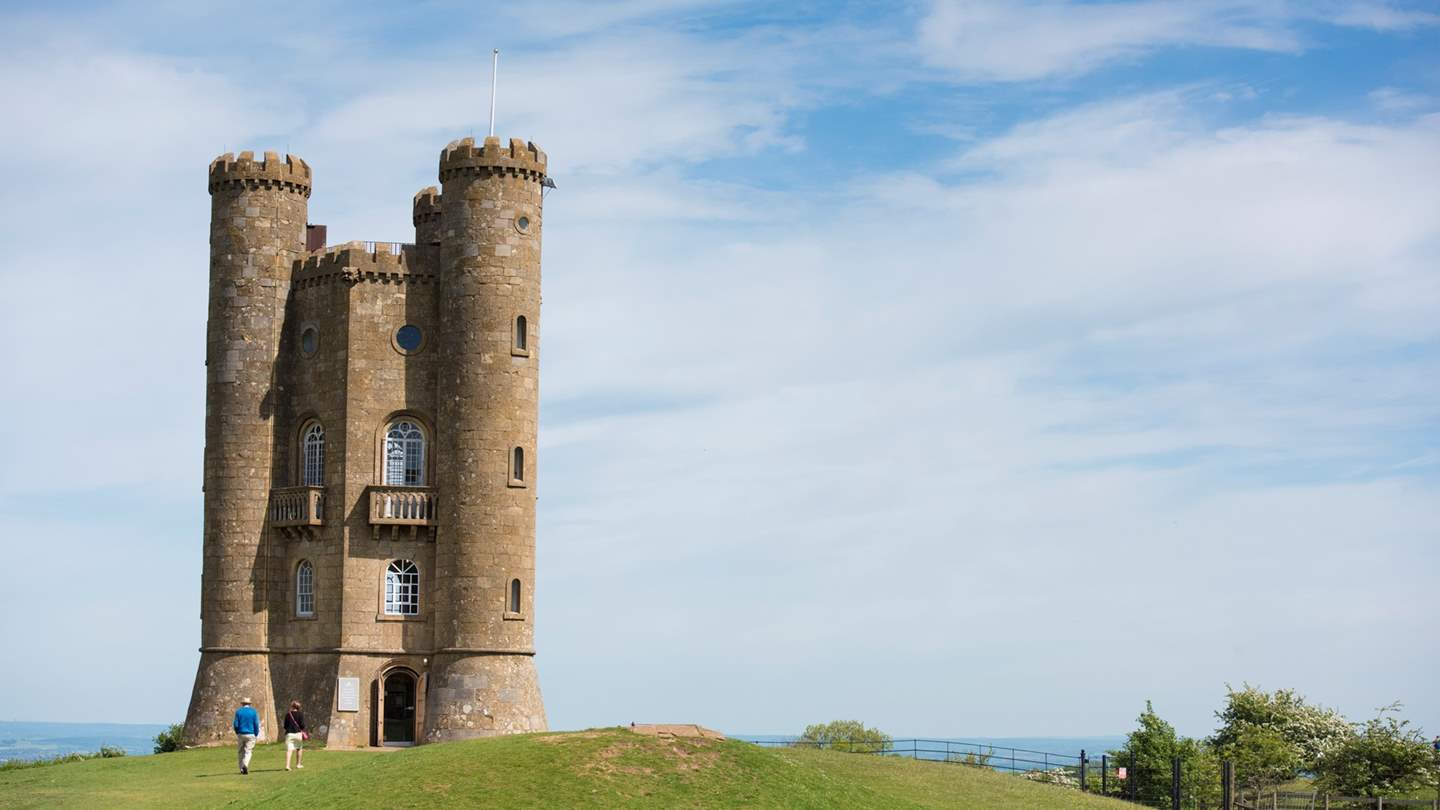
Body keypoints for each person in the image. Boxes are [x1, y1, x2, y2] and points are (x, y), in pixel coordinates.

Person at [233, 698, 260, 775]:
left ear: (242, 704)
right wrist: (256, 733)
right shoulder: (253, 712)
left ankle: (241, 768)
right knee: (248, 751)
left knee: (240, 751)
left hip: (241, 733)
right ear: (249, 704)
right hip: (251, 734)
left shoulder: (238, 712)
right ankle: (245, 764)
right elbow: (256, 724)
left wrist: (237, 732)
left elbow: (235, 724)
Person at [283, 700, 307, 771]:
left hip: (289, 734)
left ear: (292, 706)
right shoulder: (300, 714)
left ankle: (287, 765)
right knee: (299, 749)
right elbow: (302, 725)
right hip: (298, 734)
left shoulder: (288, 714)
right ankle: (298, 764)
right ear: (298, 707)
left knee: (289, 750)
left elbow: (285, 725)